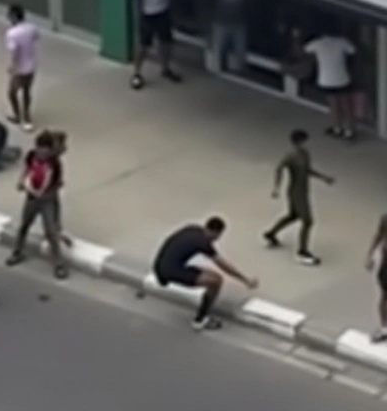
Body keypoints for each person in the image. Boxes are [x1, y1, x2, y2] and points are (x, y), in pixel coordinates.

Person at [152, 217, 258, 331]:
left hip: (160, 265)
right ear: (216, 232)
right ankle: (200, 320)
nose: (217, 239)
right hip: (170, 271)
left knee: (207, 272)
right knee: (216, 280)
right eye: (218, 235)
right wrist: (245, 280)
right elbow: (224, 266)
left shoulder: (192, 229)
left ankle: (163, 278)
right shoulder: (203, 243)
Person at [263, 129, 333, 265]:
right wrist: (276, 187)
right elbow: (279, 168)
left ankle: (271, 233)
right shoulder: (291, 156)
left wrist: (323, 177)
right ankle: (303, 251)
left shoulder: (305, 154)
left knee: (293, 215)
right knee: (307, 221)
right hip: (296, 192)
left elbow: (307, 170)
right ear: (298, 141)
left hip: (303, 190)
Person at [4, 131, 68, 279]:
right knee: (24, 225)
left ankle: (59, 263)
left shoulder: (55, 164)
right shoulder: (31, 155)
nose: (42, 155)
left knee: (51, 232)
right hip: (32, 198)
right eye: (40, 150)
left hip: (47, 200)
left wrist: (45, 194)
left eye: (46, 152)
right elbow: (27, 169)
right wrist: (21, 181)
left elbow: (57, 184)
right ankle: (17, 252)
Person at [130, 0, 180, 89]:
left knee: (166, 42)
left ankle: (165, 68)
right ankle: (136, 73)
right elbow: (137, 0)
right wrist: (141, 18)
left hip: (163, 11)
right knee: (144, 46)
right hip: (148, 15)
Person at [305, 28, 358, 139]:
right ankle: (349, 130)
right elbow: (353, 51)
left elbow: (306, 49)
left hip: (326, 80)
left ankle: (337, 128)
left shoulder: (317, 43)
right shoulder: (342, 42)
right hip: (342, 79)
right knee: (347, 105)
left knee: (333, 105)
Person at [4, 4, 38, 131]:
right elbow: (36, 38)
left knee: (12, 92)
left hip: (20, 69)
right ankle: (27, 116)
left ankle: (18, 115)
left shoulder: (12, 34)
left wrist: (12, 66)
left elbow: (13, 51)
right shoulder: (31, 28)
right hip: (31, 66)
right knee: (26, 91)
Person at [364, 215, 387, 341]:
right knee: (384, 296)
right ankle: (384, 328)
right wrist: (370, 255)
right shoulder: (385, 219)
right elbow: (378, 236)